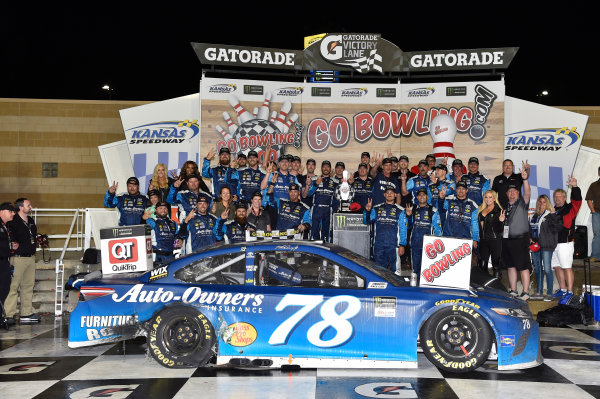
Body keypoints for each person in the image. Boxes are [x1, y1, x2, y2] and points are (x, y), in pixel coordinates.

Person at [5, 198, 39, 324]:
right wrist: (13, 245)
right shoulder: (13, 221)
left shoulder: (30, 220)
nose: (31, 207)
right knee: (13, 287)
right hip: (18, 259)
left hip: (30, 258)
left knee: (28, 286)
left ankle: (26, 313)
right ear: (20, 207)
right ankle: (9, 314)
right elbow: (9, 237)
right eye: (28, 205)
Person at [501, 162, 531, 299]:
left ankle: (525, 292)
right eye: (510, 192)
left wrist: (525, 179)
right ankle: (513, 290)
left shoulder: (522, 203)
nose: (512, 194)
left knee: (523, 266)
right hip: (508, 240)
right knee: (511, 266)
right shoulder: (506, 207)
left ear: (518, 193)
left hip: (520, 240)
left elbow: (528, 192)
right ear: (507, 194)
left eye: (514, 192)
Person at [402, 188, 442, 285]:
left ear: (427, 197)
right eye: (419, 195)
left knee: (429, 270)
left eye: (424, 195)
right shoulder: (413, 209)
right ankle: (416, 291)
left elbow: (438, 230)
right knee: (415, 270)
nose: (422, 197)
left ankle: (428, 288)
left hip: (429, 247)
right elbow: (409, 226)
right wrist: (408, 216)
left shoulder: (433, 210)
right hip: (415, 244)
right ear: (417, 197)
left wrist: (437, 246)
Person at [551, 176, 582, 301]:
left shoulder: (570, 208)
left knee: (566, 267)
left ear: (564, 197)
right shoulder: (554, 210)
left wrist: (574, 187)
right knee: (557, 267)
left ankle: (570, 291)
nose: (557, 199)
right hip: (554, 244)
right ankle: (563, 289)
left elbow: (577, 201)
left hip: (565, 243)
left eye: (560, 196)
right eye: (555, 197)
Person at [364, 186, 407, 272]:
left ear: (395, 195)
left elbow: (403, 229)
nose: (389, 194)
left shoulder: (401, 210)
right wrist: (367, 211)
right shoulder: (376, 208)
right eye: (387, 192)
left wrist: (402, 245)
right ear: (384, 195)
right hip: (379, 245)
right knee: (379, 271)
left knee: (395, 271)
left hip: (394, 245)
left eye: (391, 193)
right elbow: (366, 221)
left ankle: (396, 286)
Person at [529, 195, 562, 298]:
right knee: (538, 269)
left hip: (546, 245)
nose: (541, 204)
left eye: (544, 202)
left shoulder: (550, 214)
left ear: (547, 203)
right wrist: (530, 238)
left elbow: (558, 227)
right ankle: (539, 292)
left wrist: (553, 215)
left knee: (547, 269)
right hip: (535, 245)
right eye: (540, 202)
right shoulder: (534, 216)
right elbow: (530, 229)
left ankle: (549, 293)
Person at [308, 160, 338, 241]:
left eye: (327, 167)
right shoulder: (314, 179)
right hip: (316, 209)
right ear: (321, 168)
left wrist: (335, 209)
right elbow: (309, 194)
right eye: (324, 166)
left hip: (328, 210)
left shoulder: (335, 181)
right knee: (314, 234)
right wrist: (316, 184)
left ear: (330, 168)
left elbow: (337, 197)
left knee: (326, 235)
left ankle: (325, 252)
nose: (326, 168)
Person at [478, 190, 505, 279]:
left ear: (494, 198)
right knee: (482, 265)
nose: (488, 199)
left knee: (496, 266)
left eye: (490, 197)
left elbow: (500, 230)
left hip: (495, 240)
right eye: (486, 197)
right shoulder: (481, 208)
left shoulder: (499, 211)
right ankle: (483, 286)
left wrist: (501, 221)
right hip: (483, 241)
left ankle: (497, 289)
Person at [0, 203, 17, 325]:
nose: (13, 213)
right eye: (10, 211)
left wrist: (11, 247)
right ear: (2, 211)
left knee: (5, 289)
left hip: (4, 261)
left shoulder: (6, 226)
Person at [585, 166, 600, 261]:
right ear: (599, 173)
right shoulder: (594, 185)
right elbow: (589, 199)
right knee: (597, 234)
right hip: (597, 213)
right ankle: (595, 255)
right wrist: (593, 211)